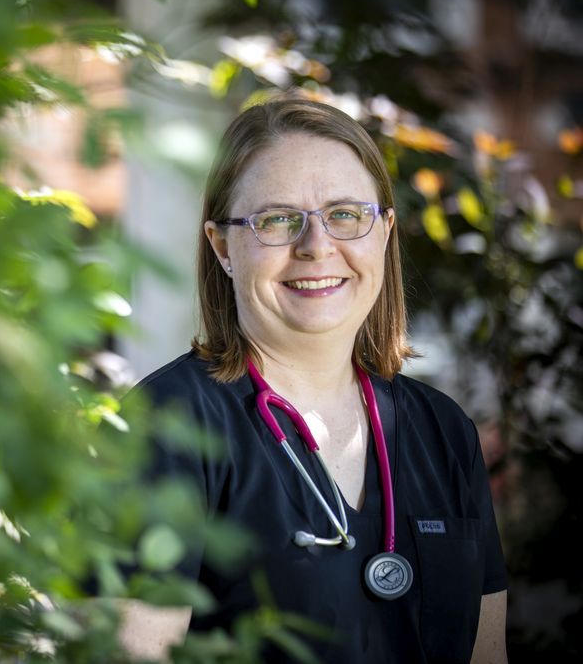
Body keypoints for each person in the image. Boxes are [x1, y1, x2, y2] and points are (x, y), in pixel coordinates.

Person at [118, 98, 508, 663]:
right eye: (277, 220)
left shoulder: (444, 431)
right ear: (223, 247)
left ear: (385, 232)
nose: (316, 246)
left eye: (345, 214)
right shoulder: (168, 424)